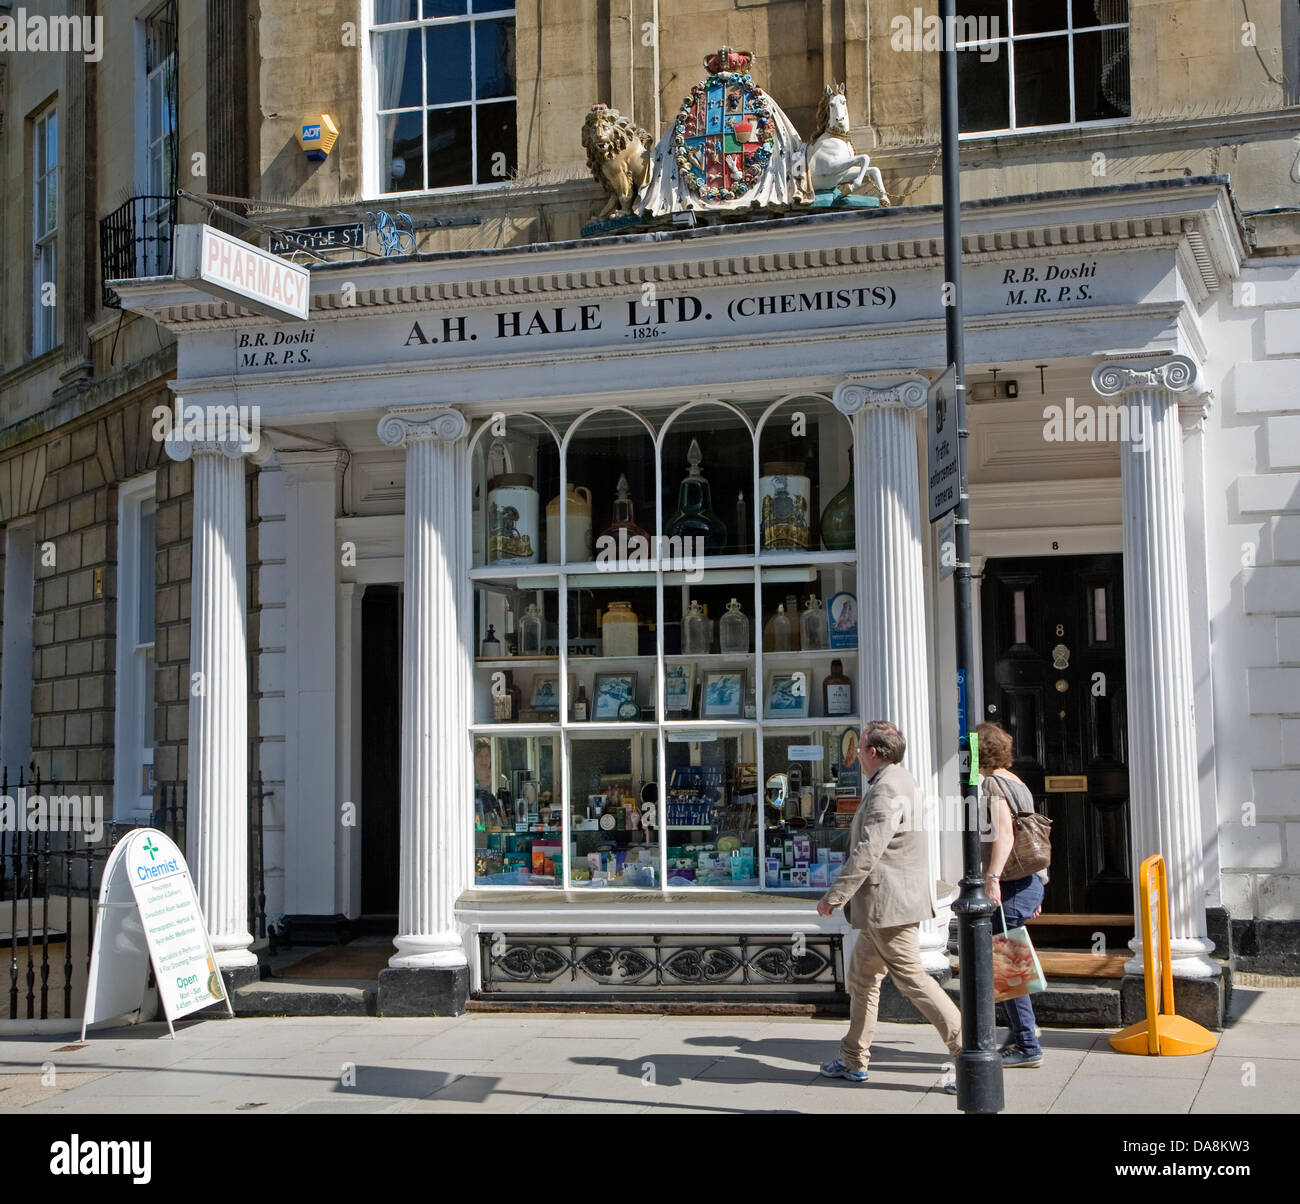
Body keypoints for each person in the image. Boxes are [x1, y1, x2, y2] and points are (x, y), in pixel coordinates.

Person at [816, 720, 963, 1085]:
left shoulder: (886, 789)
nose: (855, 756)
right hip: (888, 904)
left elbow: (869, 849)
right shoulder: (901, 779)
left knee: (914, 980)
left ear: (872, 752)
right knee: (863, 978)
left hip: (888, 906)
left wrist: (835, 895)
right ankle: (853, 1058)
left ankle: (969, 1054)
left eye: (860, 747)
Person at [977, 720, 1045, 1069]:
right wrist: (1038, 888)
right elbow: (1032, 839)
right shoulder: (1017, 781)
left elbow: (1005, 834)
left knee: (1008, 968)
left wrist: (992, 879)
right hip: (1027, 883)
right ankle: (1025, 1032)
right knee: (1013, 964)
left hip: (1012, 885)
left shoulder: (992, 783)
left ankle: (1027, 1045)